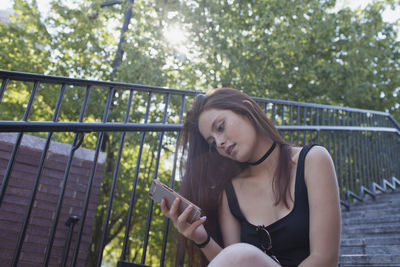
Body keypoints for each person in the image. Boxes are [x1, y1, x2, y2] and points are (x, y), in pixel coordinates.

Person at [160, 88, 341, 267]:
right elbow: (232, 263)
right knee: (240, 254)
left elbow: (325, 259)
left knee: (242, 254)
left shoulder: (313, 160)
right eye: (212, 142)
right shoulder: (230, 192)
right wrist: (201, 238)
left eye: (220, 127)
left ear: (247, 110)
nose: (220, 143)